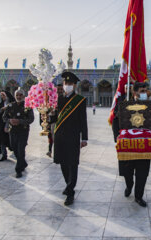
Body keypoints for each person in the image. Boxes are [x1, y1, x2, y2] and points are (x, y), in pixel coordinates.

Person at [112, 82, 151, 207]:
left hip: (144, 146)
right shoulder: (125, 106)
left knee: (143, 173)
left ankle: (138, 196)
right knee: (127, 173)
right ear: (134, 93)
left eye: (146, 90)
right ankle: (129, 186)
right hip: (129, 147)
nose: (144, 93)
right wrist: (118, 137)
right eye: (142, 91)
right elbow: (115, 122)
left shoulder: (149, 107)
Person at [51, 71, 88, 206]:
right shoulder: (57, 99)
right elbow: (54, 119)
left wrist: (84, 138)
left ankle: (70, 191)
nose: (67, 85)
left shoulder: (79, 101)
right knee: (62, 163)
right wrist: (50, 114)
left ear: (75, 85)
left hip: (73, 136)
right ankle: (68, 184)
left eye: (70, 83)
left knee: (72, 164)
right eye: (66, 83)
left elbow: (83, 120)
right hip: (59, 136)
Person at [3, 88, 34, 178]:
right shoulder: (10, 106)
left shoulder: (27, 106)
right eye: (17, 95)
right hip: (13, 131)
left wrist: (19, 121)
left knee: (21, 149)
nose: (19, 97)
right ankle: (23, 163)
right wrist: (10, 121)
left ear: (23, 96)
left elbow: (31, 119)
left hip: (23, 131)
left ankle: (18, 169)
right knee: (14, 147)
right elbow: (4, 117)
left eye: (20, 95)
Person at [0, 91, 15, 161]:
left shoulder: (13, 103)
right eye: (1, 96)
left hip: (11, 123)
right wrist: (2, 109)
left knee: (12, 138)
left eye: (3, 95)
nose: (2, 97)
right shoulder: (1, 103)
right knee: (2, 139)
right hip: (2, 123)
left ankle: (15, 151)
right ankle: (4, 154)